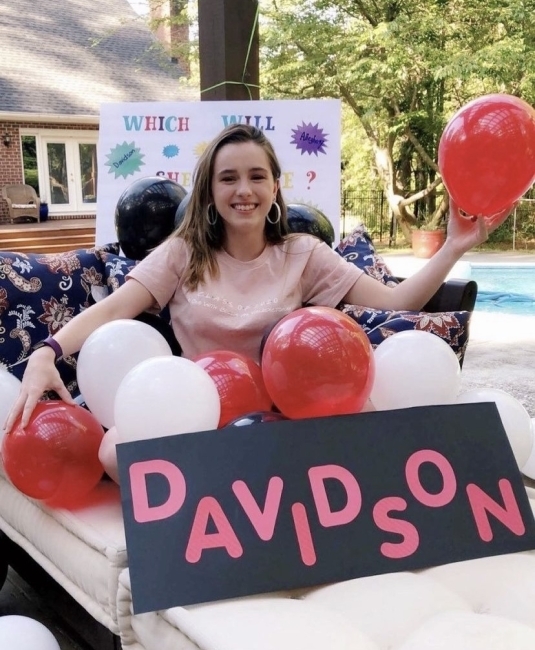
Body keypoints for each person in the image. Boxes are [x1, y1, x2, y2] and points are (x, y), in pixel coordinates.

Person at [3, 123, 498, 480]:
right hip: (200, 420)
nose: (244, 190)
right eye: (228, 178)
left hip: (285, 421)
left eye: (257, 176)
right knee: (115, 453)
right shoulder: (183, 253)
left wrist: (455, 244)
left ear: (275, 187)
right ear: (210, 191)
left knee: (376, 431)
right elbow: (113, 309)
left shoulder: (304, 254)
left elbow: (396, 301)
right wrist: (46, 352)